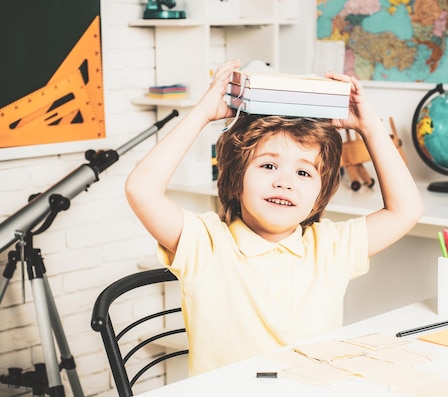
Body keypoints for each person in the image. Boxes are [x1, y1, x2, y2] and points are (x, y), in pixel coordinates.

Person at [125, 60, 423, 376]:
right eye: (268, 166)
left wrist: (370, 127)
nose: (285, 181)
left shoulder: (331, 247)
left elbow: (406, 210)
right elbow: (141, 189)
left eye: (304, 172)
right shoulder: (205, 244)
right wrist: (201, 115)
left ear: (320, 194)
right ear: (236, 178)